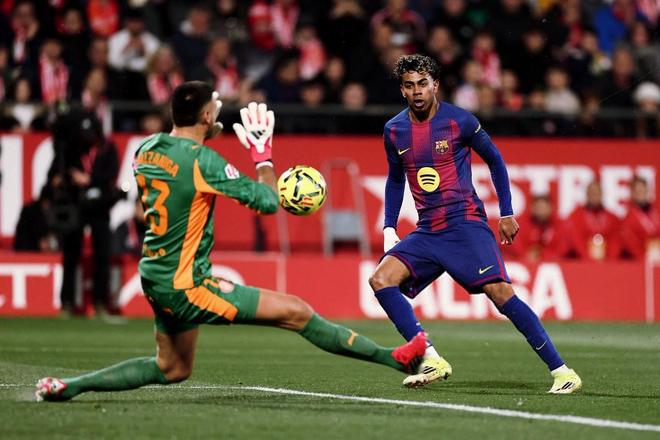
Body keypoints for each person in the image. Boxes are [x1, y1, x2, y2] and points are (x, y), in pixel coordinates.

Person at [35, 81, 426, 402]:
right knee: (297, 311)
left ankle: (71, 386)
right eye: (214, 110)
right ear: (206, 116)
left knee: (172, 368)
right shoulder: (201, 161)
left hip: (155, 274)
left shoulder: (147, 149)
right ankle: (395, 358)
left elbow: (176, 169)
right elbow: (267, 201)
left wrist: (204, 137)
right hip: (187, 284)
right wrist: (262, 156)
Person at [369, 54, 581, 393]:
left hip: (465, 224)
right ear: (402, 90)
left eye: (423, 84)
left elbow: (495, 160)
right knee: (381, 279)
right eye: (409, 86)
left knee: (500, 293)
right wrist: (389, 227)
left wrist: (507, 212)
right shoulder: (394, 130)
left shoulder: (460, 121)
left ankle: (562, 371)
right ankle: (430, 358)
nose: (417, 91)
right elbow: (396, 179)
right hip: (428, 230)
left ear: (435, 85)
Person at [565, 180, 621, 261]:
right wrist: (587, 258)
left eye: (597, 192)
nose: (594, 195)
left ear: (602, 194)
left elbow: (615, 240)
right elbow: (576, 239)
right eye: (591, 192)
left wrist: (609, 259)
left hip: (607, 261)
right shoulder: (576, 216)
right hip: (583, 261)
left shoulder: (612, 218)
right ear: (587, 194)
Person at [621, 176, 660, 260]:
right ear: (632, 193)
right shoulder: (629, 218)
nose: (640, 193)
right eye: (637, 190)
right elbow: (631, 243)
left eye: (642, 189)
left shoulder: (657, 210)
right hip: (644, 259)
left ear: (647, 190)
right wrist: (645, 257)